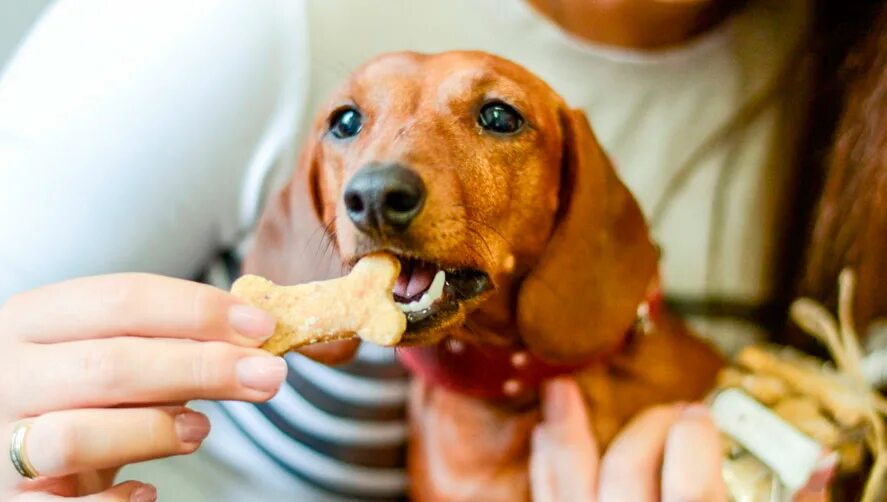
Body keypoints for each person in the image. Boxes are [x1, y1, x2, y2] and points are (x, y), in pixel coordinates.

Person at [0, 0, 811, 499]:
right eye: (347, 126)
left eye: (493, 119)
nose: (376, 189)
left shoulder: (834, 63)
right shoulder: (234, 22)